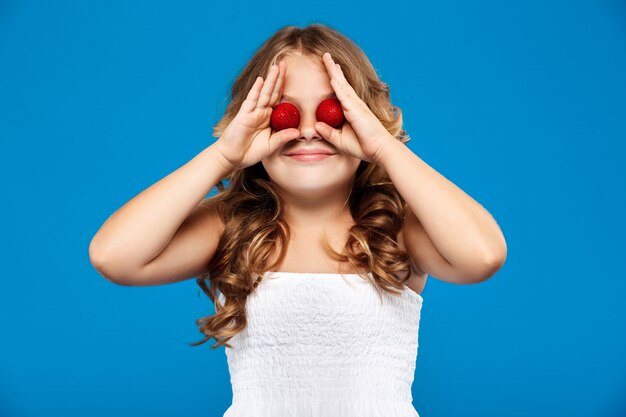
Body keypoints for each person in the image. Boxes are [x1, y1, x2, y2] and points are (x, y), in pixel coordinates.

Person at [89, 23, 507, 417]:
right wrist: (222, 156)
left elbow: (483, 256)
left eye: (331, 112)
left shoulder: (395, 226)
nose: (307, 131)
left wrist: (383, 145)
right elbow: (114, 257)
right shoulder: (229, 226)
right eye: (283, 113)